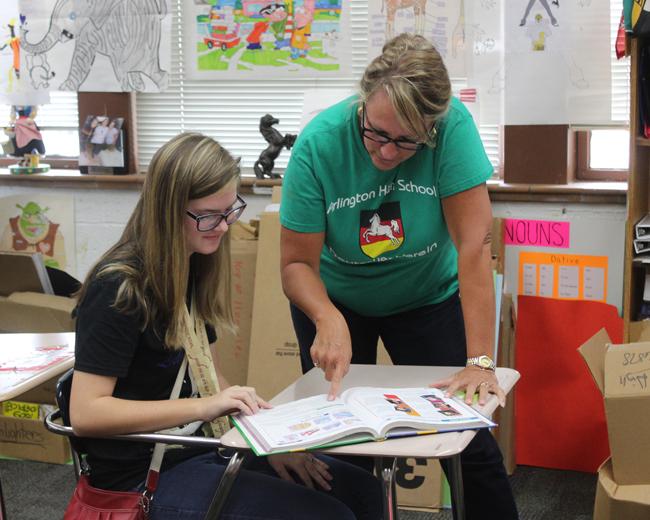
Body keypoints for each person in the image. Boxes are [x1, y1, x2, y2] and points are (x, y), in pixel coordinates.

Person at [69, 133, 382, 520]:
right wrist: (207, 406)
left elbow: (209, 377)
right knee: (327, 514)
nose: (221, 227)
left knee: (361, 489)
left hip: (197, 448)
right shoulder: (118, 287)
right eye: (207, 216)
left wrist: (269, 441)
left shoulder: (188, 267)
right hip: (142, 475)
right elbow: (86, 413)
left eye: (229, 211)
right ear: (168, 211)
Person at [279, 33, 518, 519]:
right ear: (363, 103)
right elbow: (296, 263)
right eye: (377, 133)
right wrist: (326, 316)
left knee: (466, 436)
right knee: (342, 444)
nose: (387, 153)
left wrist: (481, 361)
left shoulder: (453, 129)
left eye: (407, 141)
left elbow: (474, 247)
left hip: (427, 295)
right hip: (339, 299)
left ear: (433, 127)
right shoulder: (320, 144)